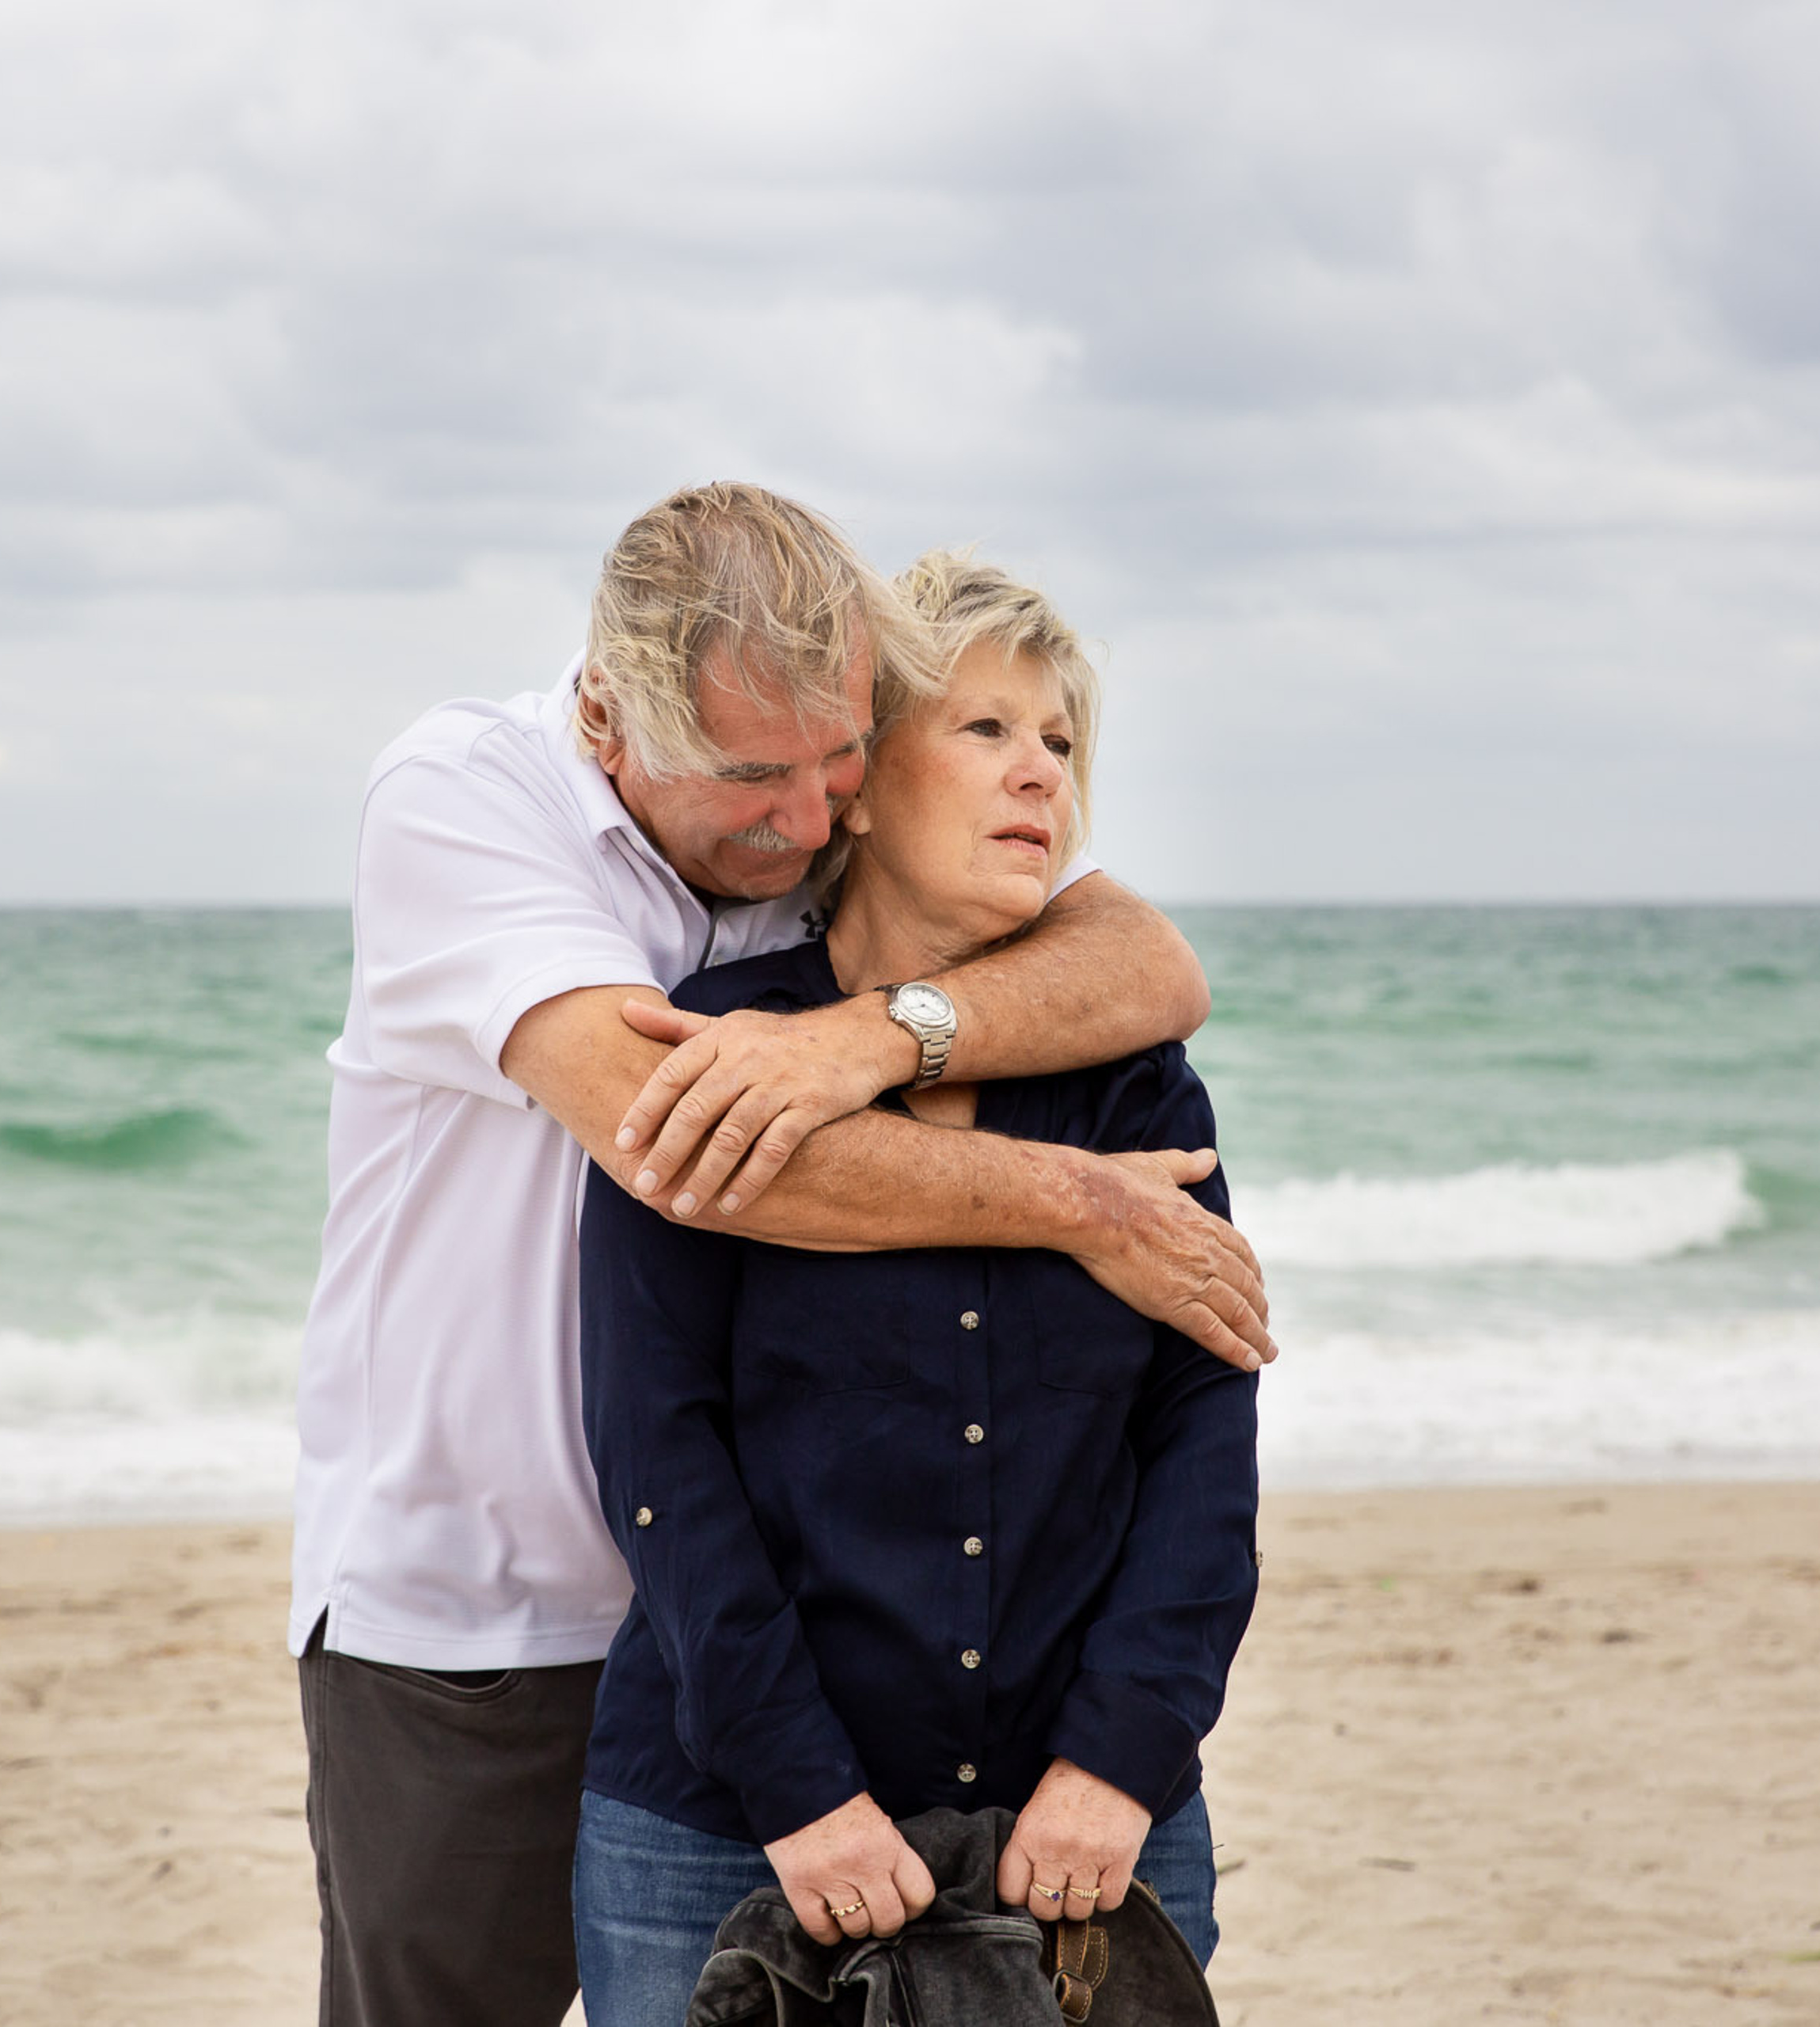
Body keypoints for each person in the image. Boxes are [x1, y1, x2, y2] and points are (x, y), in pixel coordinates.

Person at [290, 484, 1272, 2027]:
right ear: (613, 716)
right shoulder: (470, 801)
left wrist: (871, 1031)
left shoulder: (838, 922)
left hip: (741, 1651)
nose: (796, 818)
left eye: (828, 761)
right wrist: (1089, 1204)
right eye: (758, 775)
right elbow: (673, 1152)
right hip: (472, 1610)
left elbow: (1152, 963)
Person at [571, 553, 1262, 2027]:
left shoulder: (1139, 1080)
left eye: (1062, 744)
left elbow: (1208, 1436)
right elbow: (656, 1447)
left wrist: (1121, 1758)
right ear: (858, 787)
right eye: (987, 731)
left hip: (1089, 1846)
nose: (1041, 779)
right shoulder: (717, 1049)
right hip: (718, 1831)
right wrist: (800, 1790)